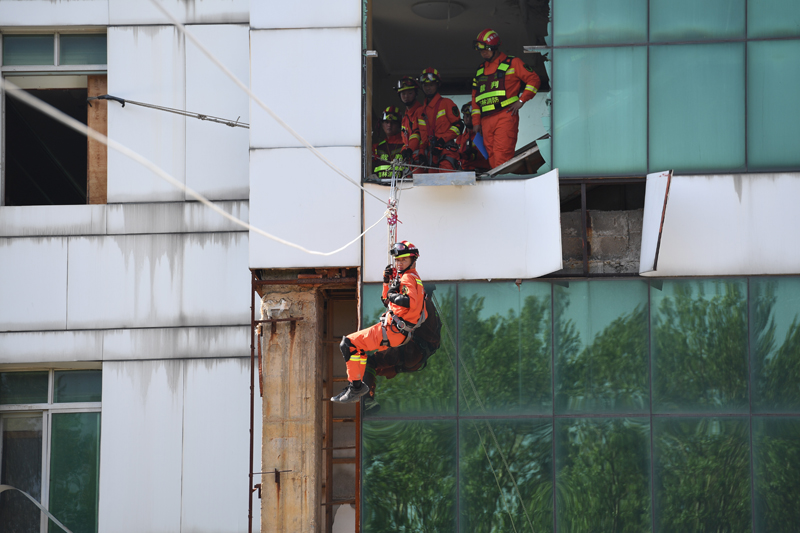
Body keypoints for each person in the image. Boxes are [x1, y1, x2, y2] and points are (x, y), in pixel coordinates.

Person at [331, 241, 425, 404]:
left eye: (403, 260)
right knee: (356, 348)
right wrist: (386, 282)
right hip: (396, 331)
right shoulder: (409, 278)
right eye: (397, 260)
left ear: (412, 260)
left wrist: (391, 293)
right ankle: (356, 384)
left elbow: (410, 301)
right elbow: (386, 302)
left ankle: (356, 386)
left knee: (347, 343)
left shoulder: (409, 277)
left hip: (392, 330)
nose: (399, 263)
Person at [471, 28, 541, 169]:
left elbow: (534, 80)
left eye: (486, 49)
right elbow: (475, 98)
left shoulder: (513, 63)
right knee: (491, 158)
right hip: (485, 121)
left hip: (505, 115)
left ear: (495, 47)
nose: (483, 53)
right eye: (480, 50)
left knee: (502, 157)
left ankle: (501, 188)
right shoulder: (480, 70)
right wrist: (476, 122)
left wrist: (521, 100)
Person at [418, 68, 462, 172]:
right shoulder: (420, 111)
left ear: (438, 85)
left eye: (431, 85)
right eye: (425, 85)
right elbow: (421, 136)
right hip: (430, 154)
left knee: (446, 182)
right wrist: (421, 152)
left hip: (446, 151)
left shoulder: (446, 103)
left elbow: (459, 126)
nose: (428, 88)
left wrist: (442, 141)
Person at [396, 76, 425, 167]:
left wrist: (409, 150)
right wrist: (404, 151)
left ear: (416, 94)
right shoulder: (406, 117)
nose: (406, 96)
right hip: (410, 161)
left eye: (410, 93)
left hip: (420, 159)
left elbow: (418, 134)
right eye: (403, 93)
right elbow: (406, 141)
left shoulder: (420, 111)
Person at [456, 102, 491, 172]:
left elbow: (486, 154)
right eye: (464, 116)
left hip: (481, 172)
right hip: (464, 171)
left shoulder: (482, 134)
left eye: (468, 116)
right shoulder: (460, 137)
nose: (465, 118)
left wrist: (471, 155)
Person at [373, 106, 404, 179]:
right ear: (382, 124)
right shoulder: (377, 147)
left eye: (393, 123)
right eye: (386, 122)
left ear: (399, 125)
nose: (389, 125)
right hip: (379, 188)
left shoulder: (406, 145)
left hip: (402, 187)